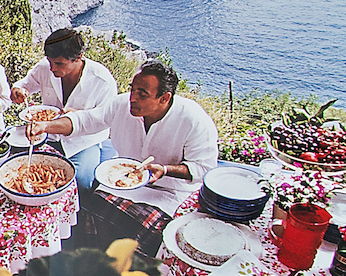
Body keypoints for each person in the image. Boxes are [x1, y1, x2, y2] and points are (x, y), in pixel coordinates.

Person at [104, 60, 219, 212]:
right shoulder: (122, 104)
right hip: (122, 179)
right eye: (133, 90)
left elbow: (204, 168)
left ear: (164, 98)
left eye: (142, 94)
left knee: (146, 226)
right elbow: (87, 121)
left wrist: (165, 170)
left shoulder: (194, 119)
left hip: (171, 193)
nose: (132, 98)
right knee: (93, 210)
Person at [14, 28, 119, 188]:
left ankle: (76, 212)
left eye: (59, 64)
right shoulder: (44, 67)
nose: (52, 68)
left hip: (83, 141)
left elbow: (105, 119)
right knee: (22, 171)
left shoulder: (102, 80)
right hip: (47, 135)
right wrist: (18, 90)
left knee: (81, 181)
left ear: (78, 58)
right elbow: (25, 84)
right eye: (50, 62)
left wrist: (78, 115)